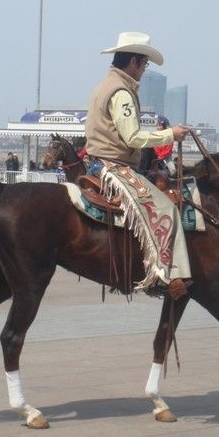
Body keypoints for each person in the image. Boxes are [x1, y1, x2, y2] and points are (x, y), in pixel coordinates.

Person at [84, 31, 191, 297]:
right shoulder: (121, 92)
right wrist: (171, 134)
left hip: (101, 161)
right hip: (112, 167)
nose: (144, 70)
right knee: (165, 208)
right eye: (144, 64)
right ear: (133, 62)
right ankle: (164, 276)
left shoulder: (105, 85)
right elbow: (131, 136)